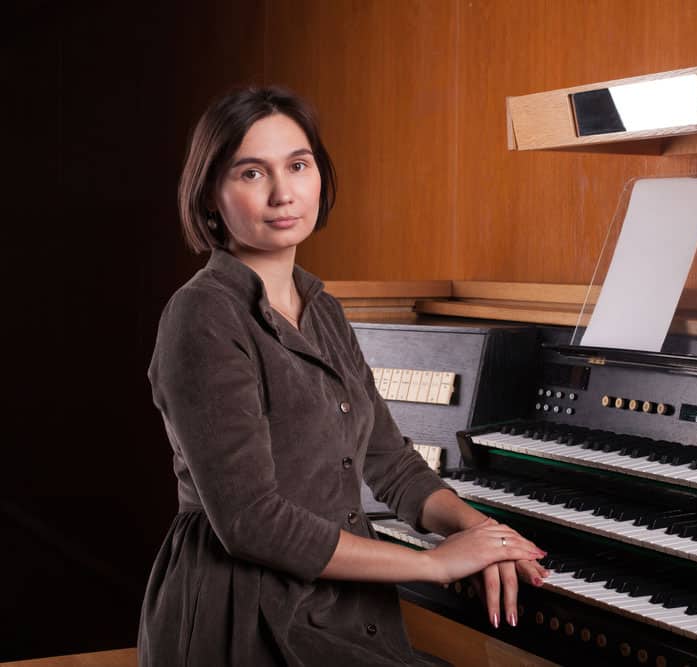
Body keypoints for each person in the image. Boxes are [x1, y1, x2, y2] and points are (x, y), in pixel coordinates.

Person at [138, 86, 548, 666]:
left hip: (341, 605)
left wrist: (485, 534)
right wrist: (435, 564)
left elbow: (392, 464)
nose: (283, 193)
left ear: (319, 177)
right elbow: (252, 522)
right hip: (244, 615)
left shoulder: (321, 307)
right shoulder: (202, 314)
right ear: (211, 193)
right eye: (252, 173)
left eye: (298, 166)